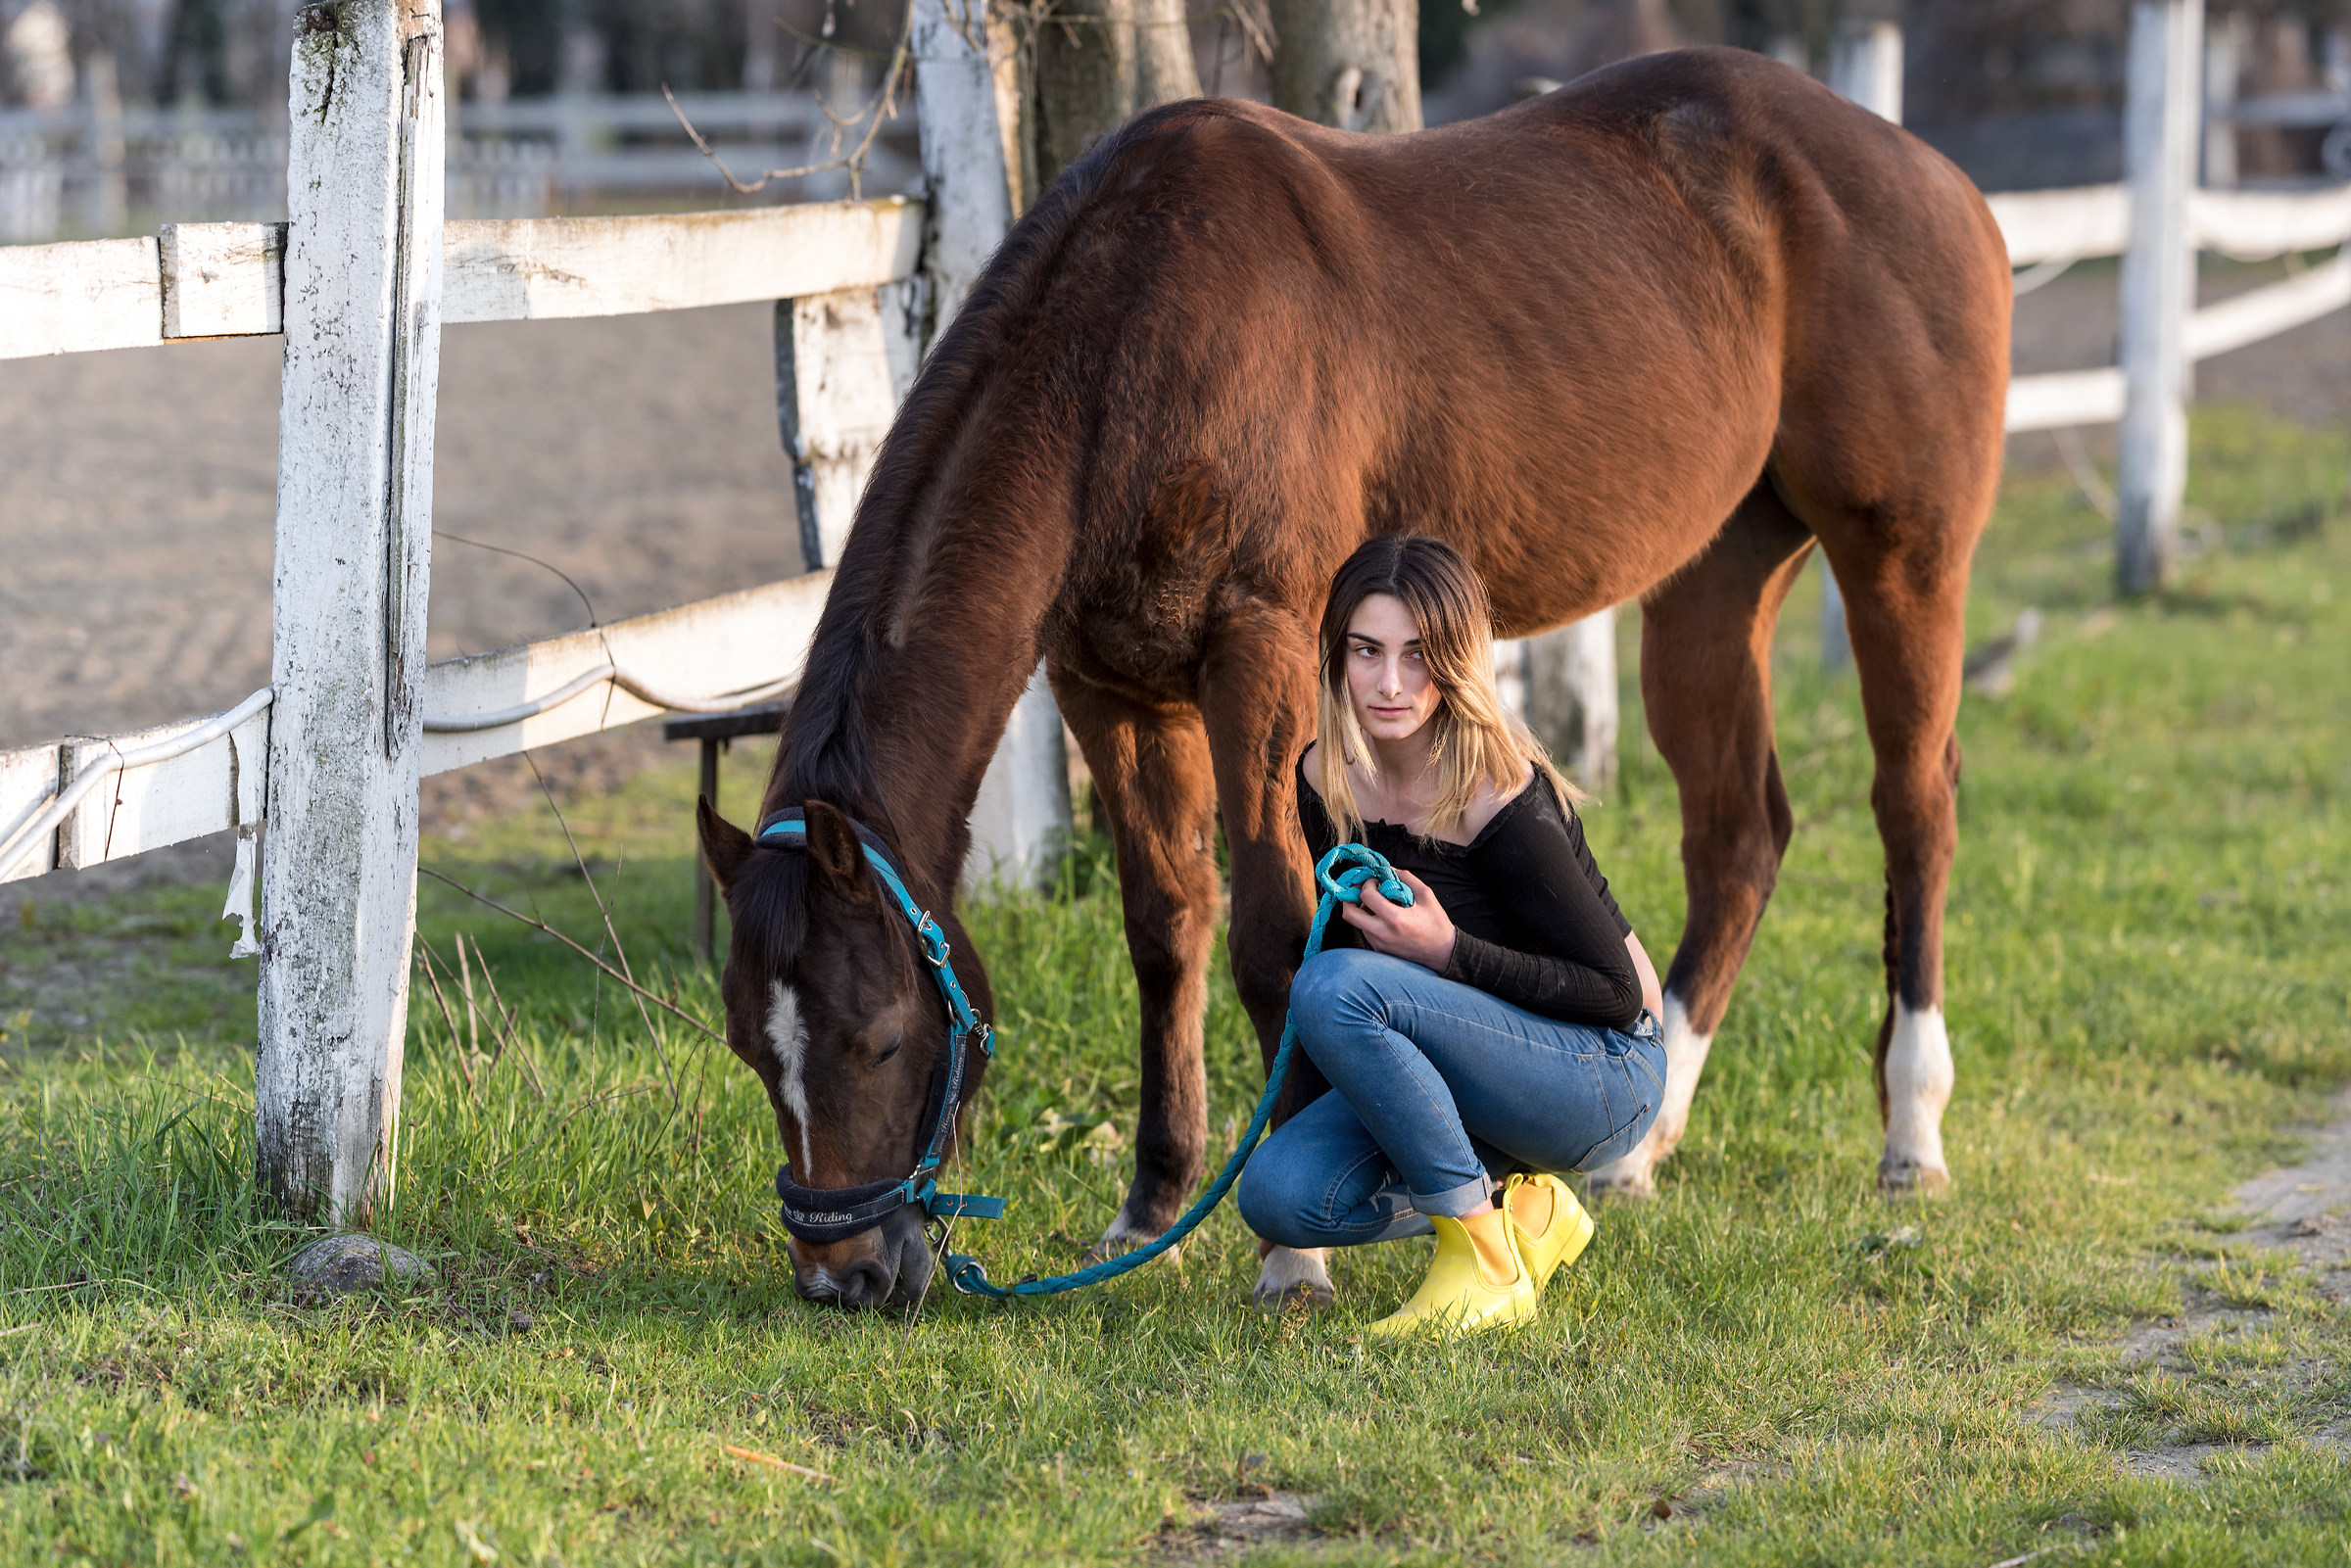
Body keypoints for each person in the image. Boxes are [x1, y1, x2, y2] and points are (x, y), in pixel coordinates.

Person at [1238, 534, 1667, 1338]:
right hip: (1471, 1073)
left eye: (1418, 655)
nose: (1389, 684)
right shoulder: (1326, 779)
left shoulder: (1496, 792)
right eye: (1367, 651)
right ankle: (1522, 1209)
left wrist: (1447, 952)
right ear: (1336, 655)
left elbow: (1617, 994)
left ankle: (1484, 1257)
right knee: (1278, 1192)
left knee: (1335, 989)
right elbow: (1337, 960)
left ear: (1457, 660)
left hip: (1604, 1072)